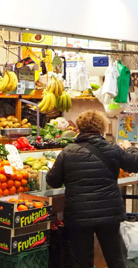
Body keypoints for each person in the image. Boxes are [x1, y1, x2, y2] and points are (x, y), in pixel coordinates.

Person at [46, 110, 138, 268]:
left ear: (80, 127)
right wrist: (130, 149)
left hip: (78, 214)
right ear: (101, 128)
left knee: (81, 262)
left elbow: (53, 181)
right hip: (109, 213)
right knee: (115, 258)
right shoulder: (113, 149)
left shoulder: (68, 152)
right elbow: (134, 164)